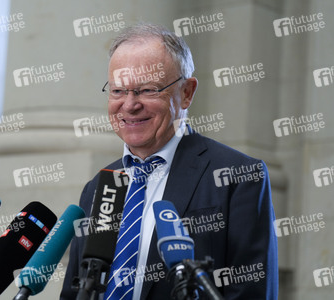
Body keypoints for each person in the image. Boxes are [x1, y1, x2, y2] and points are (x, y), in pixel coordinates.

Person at [61, 23, 278, 300]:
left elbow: (251, 293)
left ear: (186, 92)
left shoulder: (238, 176)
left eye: (147, 90)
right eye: (118, 91)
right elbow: (76, 291)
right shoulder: (98, 186)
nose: (129, 105)